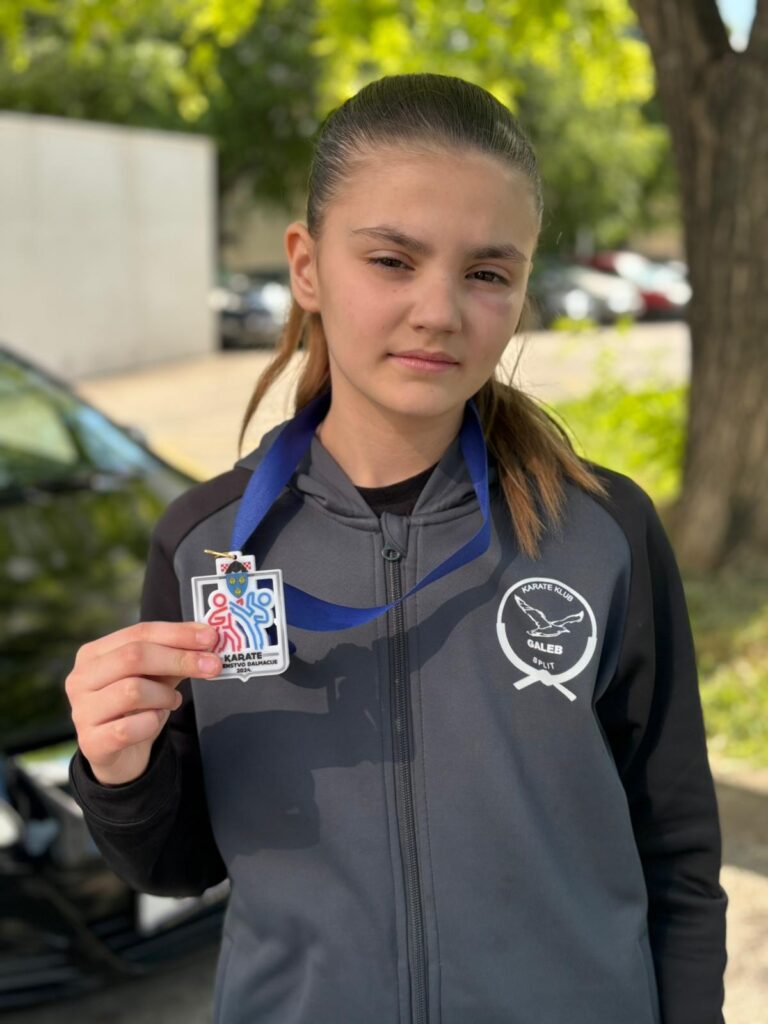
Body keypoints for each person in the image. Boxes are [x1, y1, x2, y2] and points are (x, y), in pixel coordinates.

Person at [66, 73, 727, 1024]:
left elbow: (678, 854)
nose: (439, 311)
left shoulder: (601, 529)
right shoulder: (207, 545)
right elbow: (178, 866)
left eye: (487, 273)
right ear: (306, 267)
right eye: (391, 260)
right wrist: (121, 772)